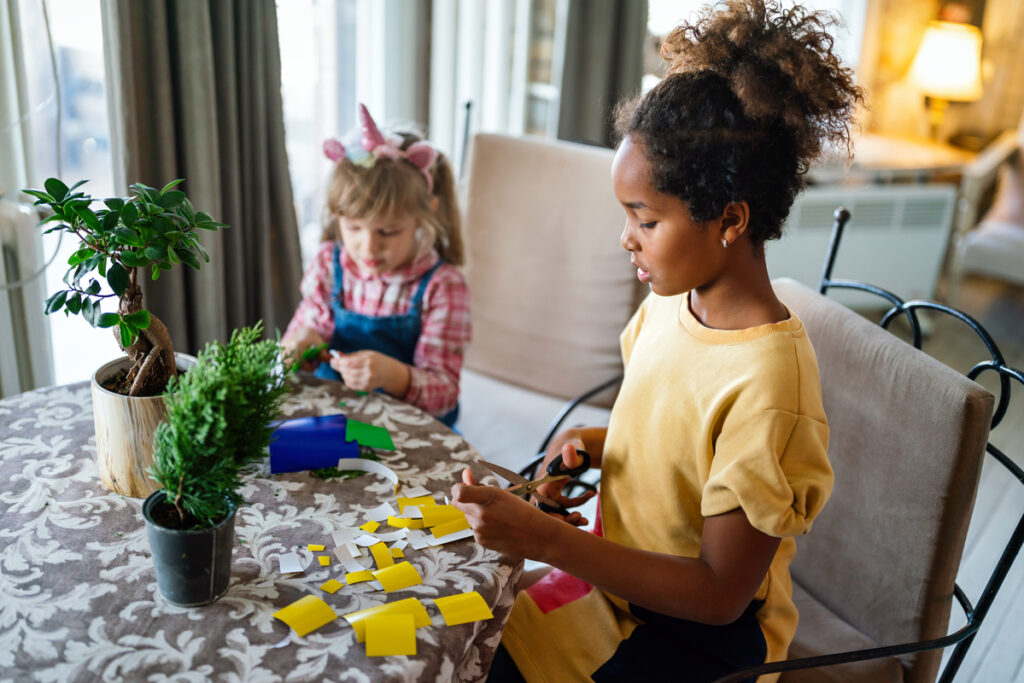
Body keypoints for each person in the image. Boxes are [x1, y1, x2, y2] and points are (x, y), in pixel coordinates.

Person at [451, 1, 863, 680]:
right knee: (463, 640)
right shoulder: (672, 306)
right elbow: (672, 441)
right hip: (618, 583)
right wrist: (599, 442)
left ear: (729, 219)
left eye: (644, 218)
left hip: (690, 639)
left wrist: (548, 540)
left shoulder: (769, 389)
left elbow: (719, 593)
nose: (626, 239)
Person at [282, 104, 470, 428]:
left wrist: (394, 375)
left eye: (388, 231)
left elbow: (445, 394)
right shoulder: (329, 264)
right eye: (354, 228)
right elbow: (306, 332)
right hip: (335, 419)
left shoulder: (442, 286)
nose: (368, 247)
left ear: (424, 216)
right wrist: (295, 348)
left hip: (408, 429)